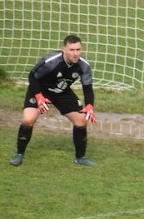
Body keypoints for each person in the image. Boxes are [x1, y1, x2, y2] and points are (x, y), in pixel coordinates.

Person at [9, 34, 98, 167]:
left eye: (78, 49)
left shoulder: (84, 65)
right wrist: (39, 97)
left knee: (81, 121)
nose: (75, 53)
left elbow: (88, 88)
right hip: (40, 90)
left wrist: (90, 105)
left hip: (61, 92)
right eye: (72, 50)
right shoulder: (51, 61)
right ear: (64, 50)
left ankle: (80, 158)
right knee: (28, 120)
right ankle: (19, 155)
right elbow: (33, 76)